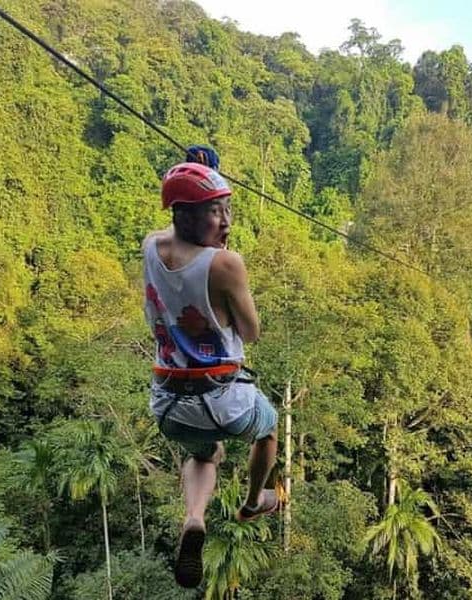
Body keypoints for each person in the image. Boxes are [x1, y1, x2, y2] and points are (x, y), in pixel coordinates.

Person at [142, 162, 279, 589]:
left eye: (226, 210)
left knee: (204, 454)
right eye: (214, 212)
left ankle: (194, 517)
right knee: (268, 428)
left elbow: (177, 246)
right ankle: (256, 500)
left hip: (169, 403)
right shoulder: (225, 264)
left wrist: (201, 173)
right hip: (223, 399)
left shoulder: (150, 245)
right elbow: (252, 331)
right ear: (183, 214)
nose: (225, 222)